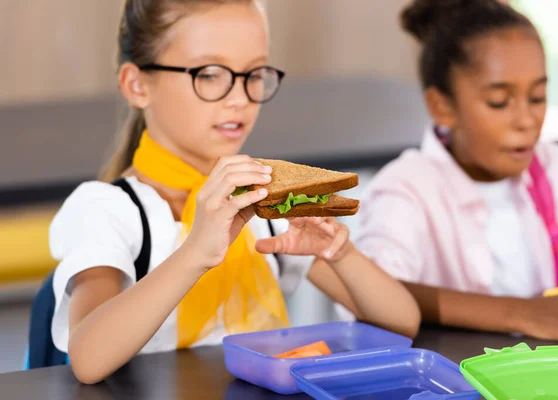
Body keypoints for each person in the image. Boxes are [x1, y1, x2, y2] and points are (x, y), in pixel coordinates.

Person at [48, 0, 420, 385]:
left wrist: (340, 252)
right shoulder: (107, 210)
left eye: (255, 73)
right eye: (209, 74)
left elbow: (401, 323)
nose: (240, 98)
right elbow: (88, 359)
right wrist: (195, 253)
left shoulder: (263, 203)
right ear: (137, 85)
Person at [354, 0, 558, 342]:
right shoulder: (405, 188)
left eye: (538, 97)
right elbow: (370, 290)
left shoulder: (551, 167)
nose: (526, 121)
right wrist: (525, 313)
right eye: (500, 102)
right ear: (442, 107)